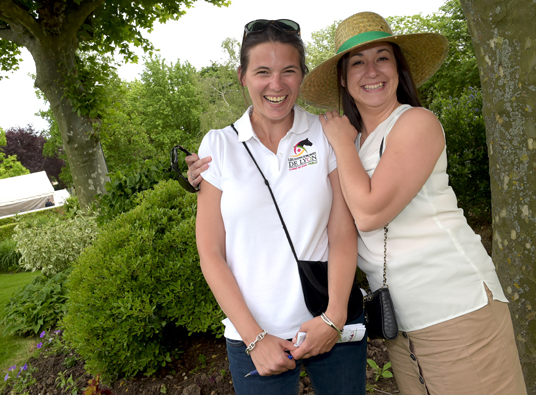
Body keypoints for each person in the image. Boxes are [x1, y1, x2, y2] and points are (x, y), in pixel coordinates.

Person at [187, 12, 527, 395]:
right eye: (357, 63)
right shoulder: (347, 137)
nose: (371, 72)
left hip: (451, 304)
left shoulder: (382, 128)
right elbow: (215, 245)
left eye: (382, 58)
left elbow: (357, 218)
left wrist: (333, 317)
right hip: (401, 319)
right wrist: (203, 177)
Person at [195, 19, 367, 395]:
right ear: (242, 76)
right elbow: (210, 253)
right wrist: (255, 339)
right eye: (262, 72)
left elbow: (341, 231)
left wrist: (334, 318)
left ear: (302, 75)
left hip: (330, 324)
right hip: (254, 339)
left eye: (289, 71)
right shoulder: (219, 146)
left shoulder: (326, 134)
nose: (277, 85)